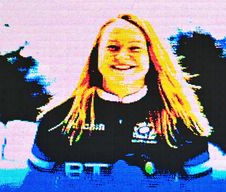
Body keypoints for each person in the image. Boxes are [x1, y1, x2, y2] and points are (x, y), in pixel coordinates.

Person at [31, 13, 212, 177]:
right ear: (96, 55)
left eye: (134, 48)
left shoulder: (182, 123)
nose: (123, 56)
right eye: (112, 47)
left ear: (152, 56)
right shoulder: (58, 120)